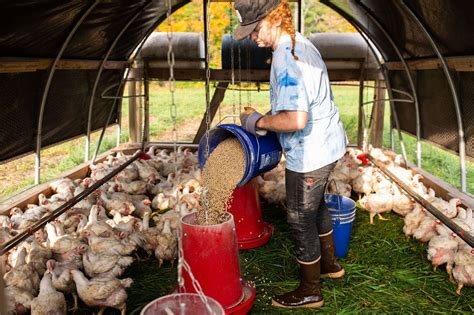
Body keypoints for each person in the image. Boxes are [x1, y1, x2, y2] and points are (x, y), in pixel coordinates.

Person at [235, 0, 348, 309]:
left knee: (299, 217)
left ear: (273, 19)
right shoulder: (302, 43)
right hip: (329, 144)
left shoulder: (286, 59)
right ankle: (330, 265)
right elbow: (298, 105)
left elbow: (296, 120)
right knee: (316, 206)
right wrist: (271, 117)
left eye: (255, 29)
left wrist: (257, 121)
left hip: (310, 150)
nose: (253, 38)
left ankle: (310, 290)